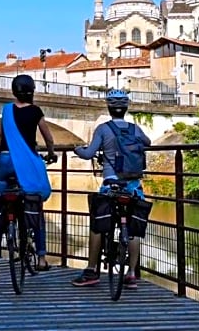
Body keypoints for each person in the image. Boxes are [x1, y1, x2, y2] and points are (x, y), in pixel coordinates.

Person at [70, 89, 151, 289]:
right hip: (133, 184)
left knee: (97, 226)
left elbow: (89, 154)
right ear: (125, 108)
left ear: (109, 107)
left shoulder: (103, 129)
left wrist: (76, 149)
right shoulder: (135, 128)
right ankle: (131, 274)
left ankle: (91, 271)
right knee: (132, 229)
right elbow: (147, 143)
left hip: (111, 184)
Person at [0, 74, 57, 289]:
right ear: (32, 91)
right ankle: (42, 258)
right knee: (35, 206)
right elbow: (49, 138)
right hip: (25, 163)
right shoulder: (36, 112)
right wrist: (51, 153)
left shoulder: (6, 110)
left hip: (5, 161)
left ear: (14, 91)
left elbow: (1, 137)